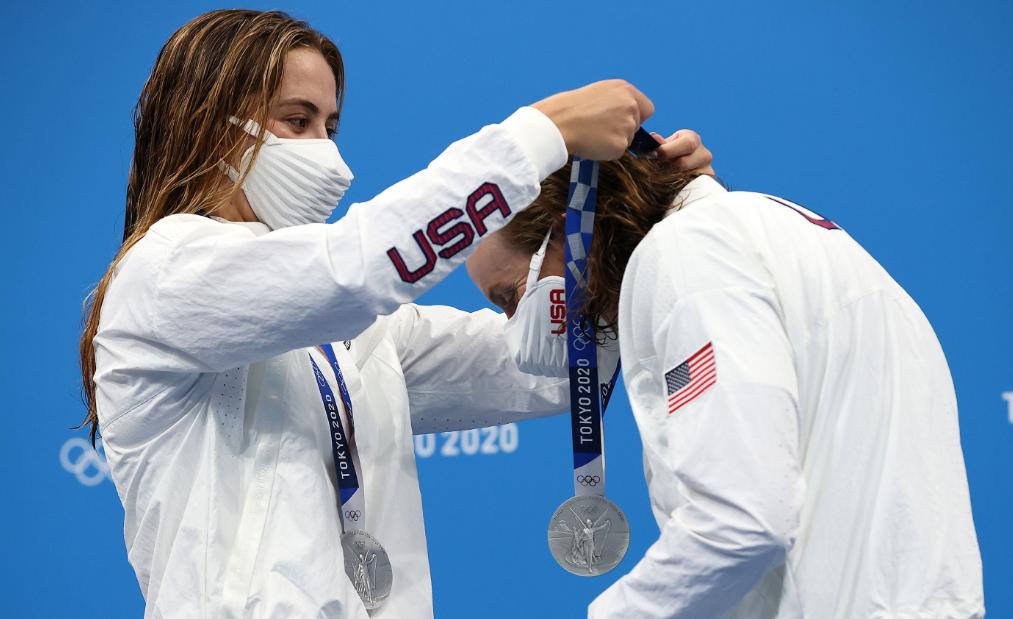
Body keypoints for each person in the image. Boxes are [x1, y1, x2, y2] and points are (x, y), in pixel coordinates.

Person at [78, 9, 714, 618]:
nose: (325, 154)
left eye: (330, 126)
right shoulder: (167, 272)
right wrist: (542, 134)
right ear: (207, 125)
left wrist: (648, 216)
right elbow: (356, 272)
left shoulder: (361, 339)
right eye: (296, 121)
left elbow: (549, 371)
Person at [467, 155, 985, 617]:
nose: (517, 324)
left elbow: (742, 519)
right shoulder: (760, 226)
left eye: (510, 297)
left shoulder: (686, 259)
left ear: (567, 232)